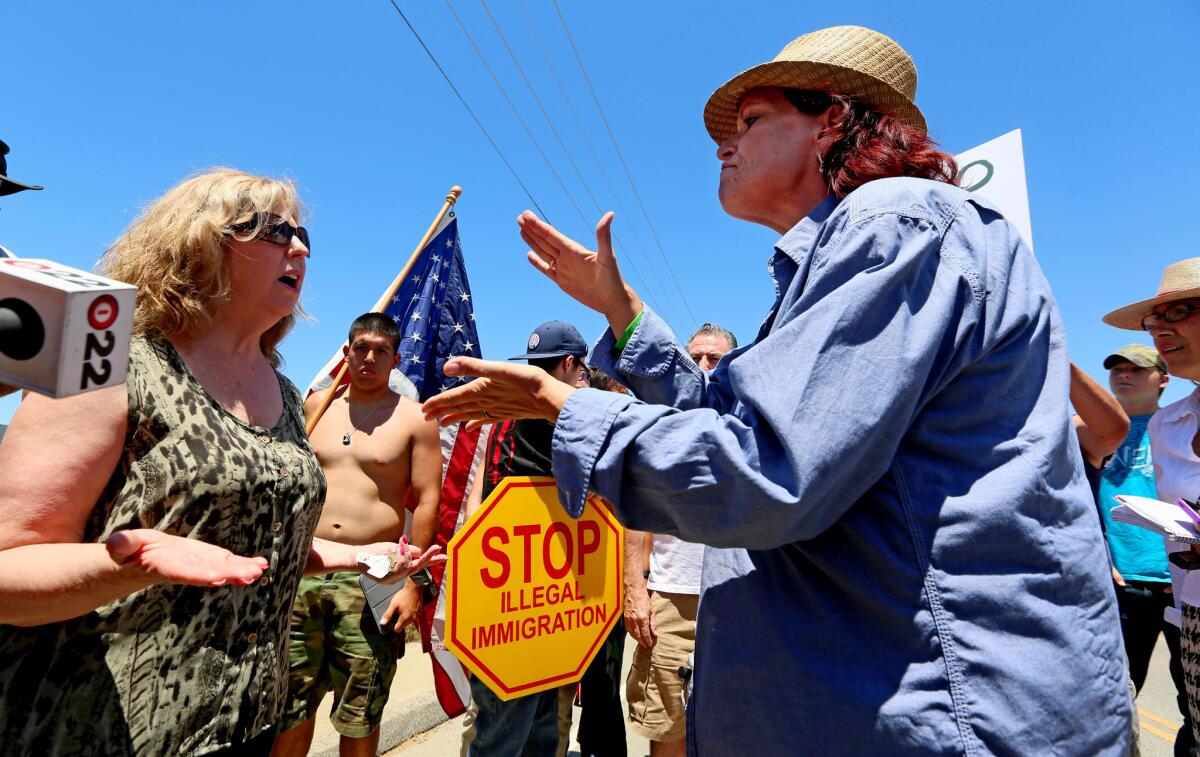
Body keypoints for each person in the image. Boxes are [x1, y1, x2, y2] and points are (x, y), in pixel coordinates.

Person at [423, 25, 1131, 754]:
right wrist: (623, 315)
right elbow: (737, 417)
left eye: (751, 121)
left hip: (949, 720)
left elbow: (766, 470)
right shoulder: (850, 250)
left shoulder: (893, 225)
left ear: (832, 118)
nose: (724, 144)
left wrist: (563, 406)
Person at [0, 168, 442, 756]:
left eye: (303, 233)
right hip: (106, 731)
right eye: (272, 230)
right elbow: (10, 570)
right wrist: (133, 567)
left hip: (247, 724)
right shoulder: (105, 363)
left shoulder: (284, 394)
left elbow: (252, 548)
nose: (301, 247)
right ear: (202, 241)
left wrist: (362, 557)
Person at [273, 313, 442, 757]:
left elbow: (427, 500)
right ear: (346, 354)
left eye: (380, 350)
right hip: (305, 569)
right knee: (288, 707)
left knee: (361, 712)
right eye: (361, 348)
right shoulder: (316, 406)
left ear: (395, 358)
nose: (369, 357)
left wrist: (413, 585)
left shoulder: (415, 418)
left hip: (374, 577)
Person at [459, 320, 591, 757]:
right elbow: (487, 506)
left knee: (542, 735)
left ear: (570, 364)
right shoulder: (516, 420)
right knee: (501, 736)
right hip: (512, 612)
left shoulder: (579, 421)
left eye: (543, 368)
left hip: (556, 607)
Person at [623, 323, 735, 757]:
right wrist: (635, 588)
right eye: (697, 358)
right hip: (672, 598)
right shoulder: (660, 427)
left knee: (734, 719)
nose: (704, 366)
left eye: (715, 358)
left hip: (734, 599)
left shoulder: (749, 425)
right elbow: (636, 511)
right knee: (666, 723)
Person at [1104, 258, 1200, 750]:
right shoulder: (1171, 425)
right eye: (1152, 319)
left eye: (1178, 310)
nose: (1160, 327)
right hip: (1192, 613)